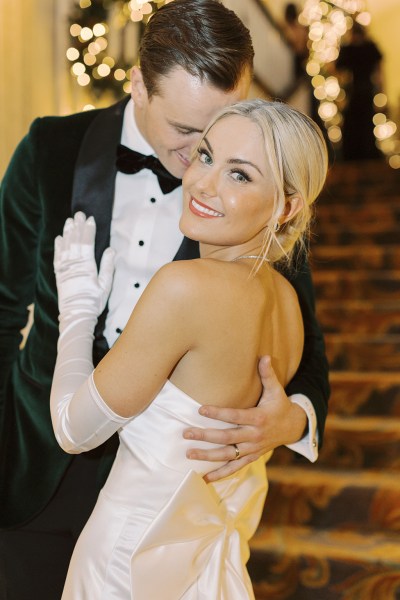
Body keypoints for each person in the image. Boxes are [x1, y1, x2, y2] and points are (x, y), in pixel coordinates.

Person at [0, 1, 329, 598]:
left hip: (175, 514)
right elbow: (1, 309)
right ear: (138, 88)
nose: (201, 162)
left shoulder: (260, 188)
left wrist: (292, 419)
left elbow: (303, 343)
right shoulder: (51, 148)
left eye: (223, 125)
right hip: (40, 473)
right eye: (189, 135)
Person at [335, 22, 383, 161]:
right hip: (356, 92)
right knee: (359, 124)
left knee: (364, 124)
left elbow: (378, 72)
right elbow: (339, 70)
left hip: (361, 91)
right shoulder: (361, 48)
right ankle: (358, 154)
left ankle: (361, 154)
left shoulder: (366, 48)